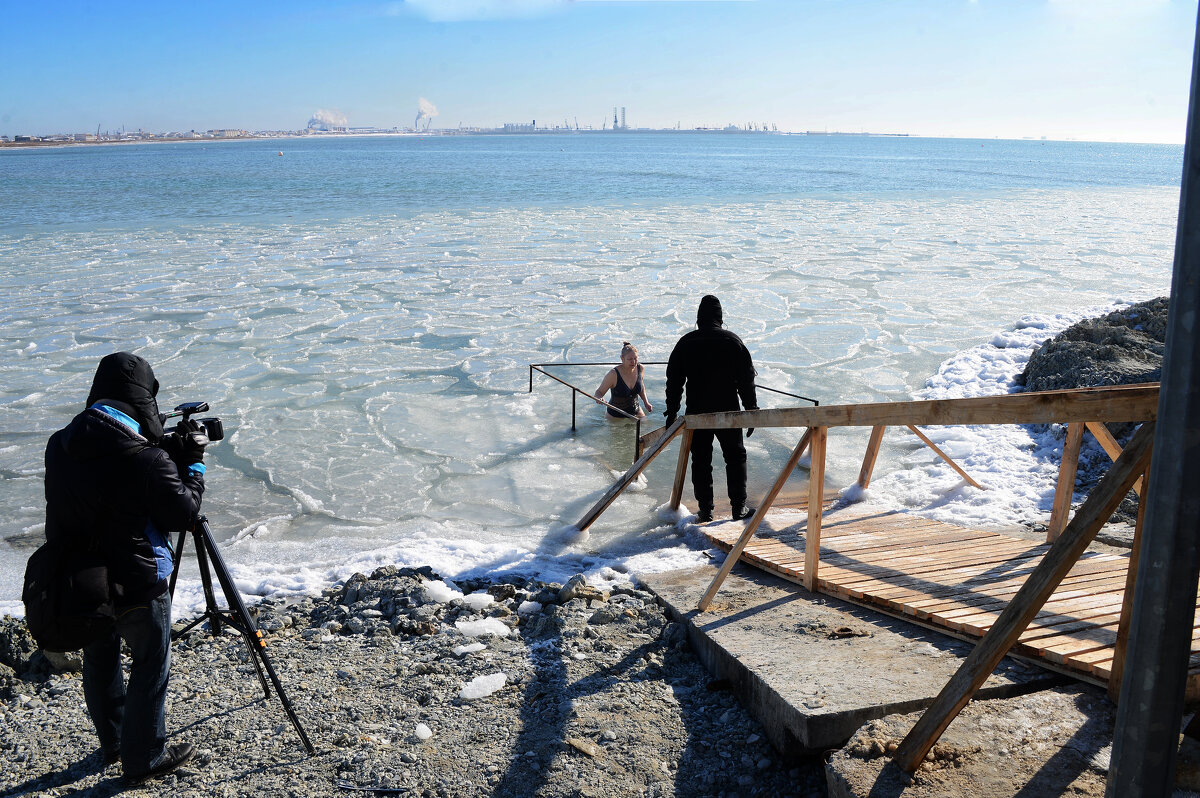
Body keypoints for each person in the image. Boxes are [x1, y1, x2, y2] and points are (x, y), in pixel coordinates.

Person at [43, 352, 206, 784]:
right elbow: (183, 512)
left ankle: (113, 742)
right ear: (145, 402)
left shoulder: (59, 444)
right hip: (137, 584)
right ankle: (145, 758)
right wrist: (193, 464)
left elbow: (101, 479)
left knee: (100, 659)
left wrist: (164, 451)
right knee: (151, 663)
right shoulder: (145, 459)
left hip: (82, 584)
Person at [664, 295, 759, 523]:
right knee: (735, 457)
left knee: (701, 460)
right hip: (728, 413)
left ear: (698, 319)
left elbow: (674, 381)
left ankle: (705, 511)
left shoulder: (685, 343)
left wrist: (672, 412)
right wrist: (751, 409)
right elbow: (746, 379)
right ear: (720, 318)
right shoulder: (733, 341)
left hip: (697, 413)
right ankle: (738, 508)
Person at [594, 341, 653, 419]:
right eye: (630, 359)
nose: (633, 362)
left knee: (647, 427)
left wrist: (646, 402)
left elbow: (641, 387)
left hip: (635, 410)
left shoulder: (640, 368)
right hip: (615, 414)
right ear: (622, 358)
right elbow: (599, 392)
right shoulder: (613, 374)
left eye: (635, 358)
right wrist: (599, 398)